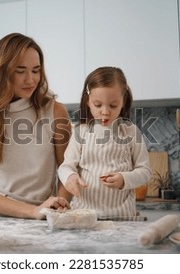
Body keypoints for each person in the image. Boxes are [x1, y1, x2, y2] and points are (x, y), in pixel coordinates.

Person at [0, 33, 72, 219]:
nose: (30, 80)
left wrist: (60, 207)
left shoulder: (56, 112)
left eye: (36, 70)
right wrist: (32, 211)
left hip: (45, 216)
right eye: (20, 71)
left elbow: (68, 170)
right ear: (2, 72)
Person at [57, 66, 151, 218]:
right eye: (98, 105)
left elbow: (145, 172)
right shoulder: (80, 131)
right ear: (88, 102)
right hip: (84, 216)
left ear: (123, 102)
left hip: (123, 217)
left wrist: (124, 179)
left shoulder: (131, 131)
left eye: (113, 105)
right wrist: (70, 177)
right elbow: (65, 167)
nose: (105, 111)